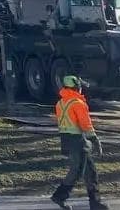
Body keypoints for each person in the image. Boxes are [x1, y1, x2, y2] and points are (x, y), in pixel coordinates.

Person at [51, 75, 108, 210]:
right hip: (78, 141)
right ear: (77, 87)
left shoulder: (60, 103)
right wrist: (95, 139)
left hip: (66, 140)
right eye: (80, 86)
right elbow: (85, 124)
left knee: (90, 171)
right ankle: (59, 196)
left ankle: (95, 203)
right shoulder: (78, 103)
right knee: (77, 171)